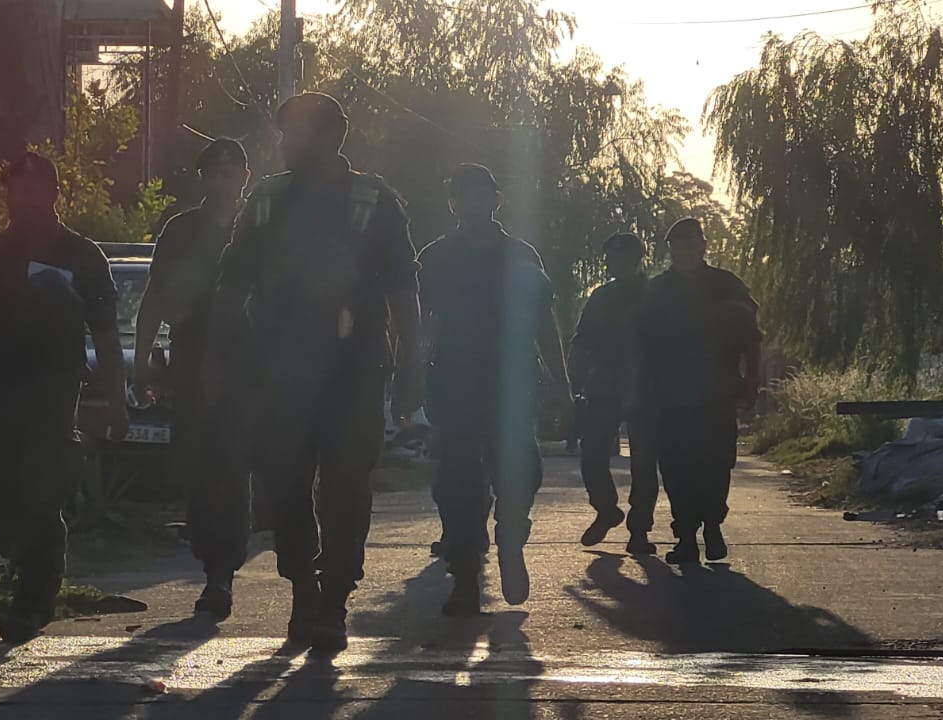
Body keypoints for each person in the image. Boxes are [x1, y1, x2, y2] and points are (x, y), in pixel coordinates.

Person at [213, 92, 422, 655]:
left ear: (329, 137)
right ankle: (303, 589)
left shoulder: (373, 200)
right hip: (279, 371)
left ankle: (333, 599)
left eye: (295, 133)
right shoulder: (267, 199)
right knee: (283, 483)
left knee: (347, 484)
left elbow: (404, 290)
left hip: (354, 371)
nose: (284, 143)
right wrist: (221, 361)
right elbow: (232, 285)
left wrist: (410, 368)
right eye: (282, 133)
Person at [0, 152, 129, 644]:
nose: (24, 199)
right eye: (16, 189)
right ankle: (27, 563)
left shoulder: (82, 255)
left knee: (41, 490)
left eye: (35, 189)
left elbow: (104, 334)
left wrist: (116, 398)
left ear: (56, 194)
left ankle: (35, 597)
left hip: (52, 393)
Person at [417, 163, 572, 617]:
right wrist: (409, 372)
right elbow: (418, 321)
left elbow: (545, 323)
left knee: (521, 468)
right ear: (453, 204)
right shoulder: (435, 258)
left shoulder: (521, 255)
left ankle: (510, 538)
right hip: (453, 384)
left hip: (511, 384)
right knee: (455, 484)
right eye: (464, 196)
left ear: (495, 200)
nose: (474, 203)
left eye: (482, 194)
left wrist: (560, 383)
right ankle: (465, 579)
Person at [131, 138, 252, 623]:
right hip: (191, 358)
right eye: (214, 172)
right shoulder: (182, 230)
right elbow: (156, 298)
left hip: (249, 363)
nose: (223, 181)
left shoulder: (257, 226)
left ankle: (222, 571)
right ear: (203, 179)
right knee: (200, 467)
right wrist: (141, 361)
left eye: (232, 171)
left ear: (245, 175)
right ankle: (211, 558)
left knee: (234, 465)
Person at [637, 218, 762, 566]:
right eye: (678, 246)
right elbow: (640, 345)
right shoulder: (657, 291)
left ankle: (712, 525)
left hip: (716, 394)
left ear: (703, 246)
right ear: (671, 250)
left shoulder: (727, 286)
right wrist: (637, 392)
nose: (686, 252)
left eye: (692, 245)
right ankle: (687, 537)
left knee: (716, 463)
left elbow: (752, 339)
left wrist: (751, 382)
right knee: (677, 467)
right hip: (669, 397)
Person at [570, 232, 659, 556]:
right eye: (610, 257)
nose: (611, 263)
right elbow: (581, 339)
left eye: (618, 257)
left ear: (635, 259)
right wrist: (572, 381)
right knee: (592, 455)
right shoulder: (601, 297)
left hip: (647, 387)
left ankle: (639, 529)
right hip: (604, 382)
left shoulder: (654, 295)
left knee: (644, 462)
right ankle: (606, 508)